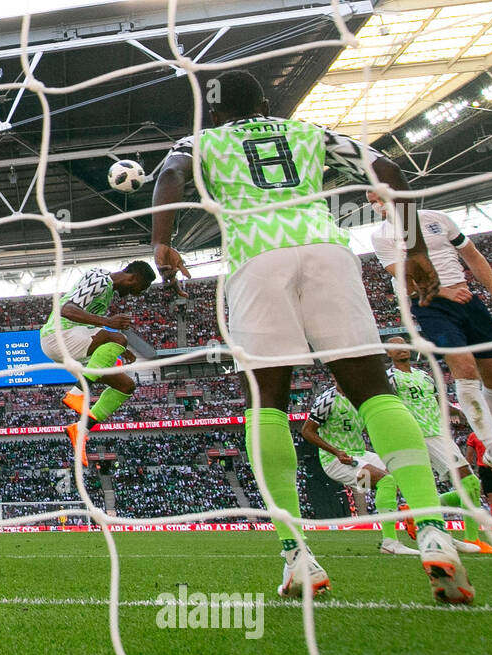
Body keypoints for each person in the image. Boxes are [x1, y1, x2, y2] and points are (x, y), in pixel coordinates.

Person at [151, 69, 472, 604]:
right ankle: (434, 529)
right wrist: (414, 247)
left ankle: (297, 553)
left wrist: (162, 240)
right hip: (326, 249)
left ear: (215, 112)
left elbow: (170, 173)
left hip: (256, 255)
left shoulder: (202, 140)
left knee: (266, 402)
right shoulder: (311, 133)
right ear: (268, 100)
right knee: (373, 391)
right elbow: (388, 167)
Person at [369, 194, 492, 486]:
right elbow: (400, 274)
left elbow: (473, 256)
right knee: (464, 369)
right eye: (372, 201)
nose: (377, 204)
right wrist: (443, 292)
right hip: (431, 304)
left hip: (468, 300)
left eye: (379, 196)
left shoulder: (437, 219)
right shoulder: (381, 236)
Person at [38, 261, 156, 465]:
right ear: (133, 278)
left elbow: (89, 325)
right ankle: (77, 393)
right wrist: (109, 324)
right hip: (58, 336)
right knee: (118, 337)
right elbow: (66, 310)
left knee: (126, 386)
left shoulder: (108, 292)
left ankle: (80, 429)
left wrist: (119, 347)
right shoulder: (99, 279)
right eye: (141, 288)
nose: (138, 294)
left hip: (72, 343)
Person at [386, 338, 492, 554]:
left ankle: (414, 512)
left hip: (439, 433)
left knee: (470, 484)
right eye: (395, 346)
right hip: (415, 434)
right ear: (388, 353)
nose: (401, 349)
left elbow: (436, 401)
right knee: (469, 482)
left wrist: (456, 411)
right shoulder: (390, 378)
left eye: (404, 344)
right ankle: (473, 539)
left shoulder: (424, 375)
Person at [301, 384, 418, 555]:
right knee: (386, 481)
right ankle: (390, 542)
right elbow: (306, 431)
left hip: (360, 454)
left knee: (401, 473)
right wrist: (336, 452)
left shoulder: (361, 397)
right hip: (335, 461)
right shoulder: (328, 400)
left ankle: (408, 512)